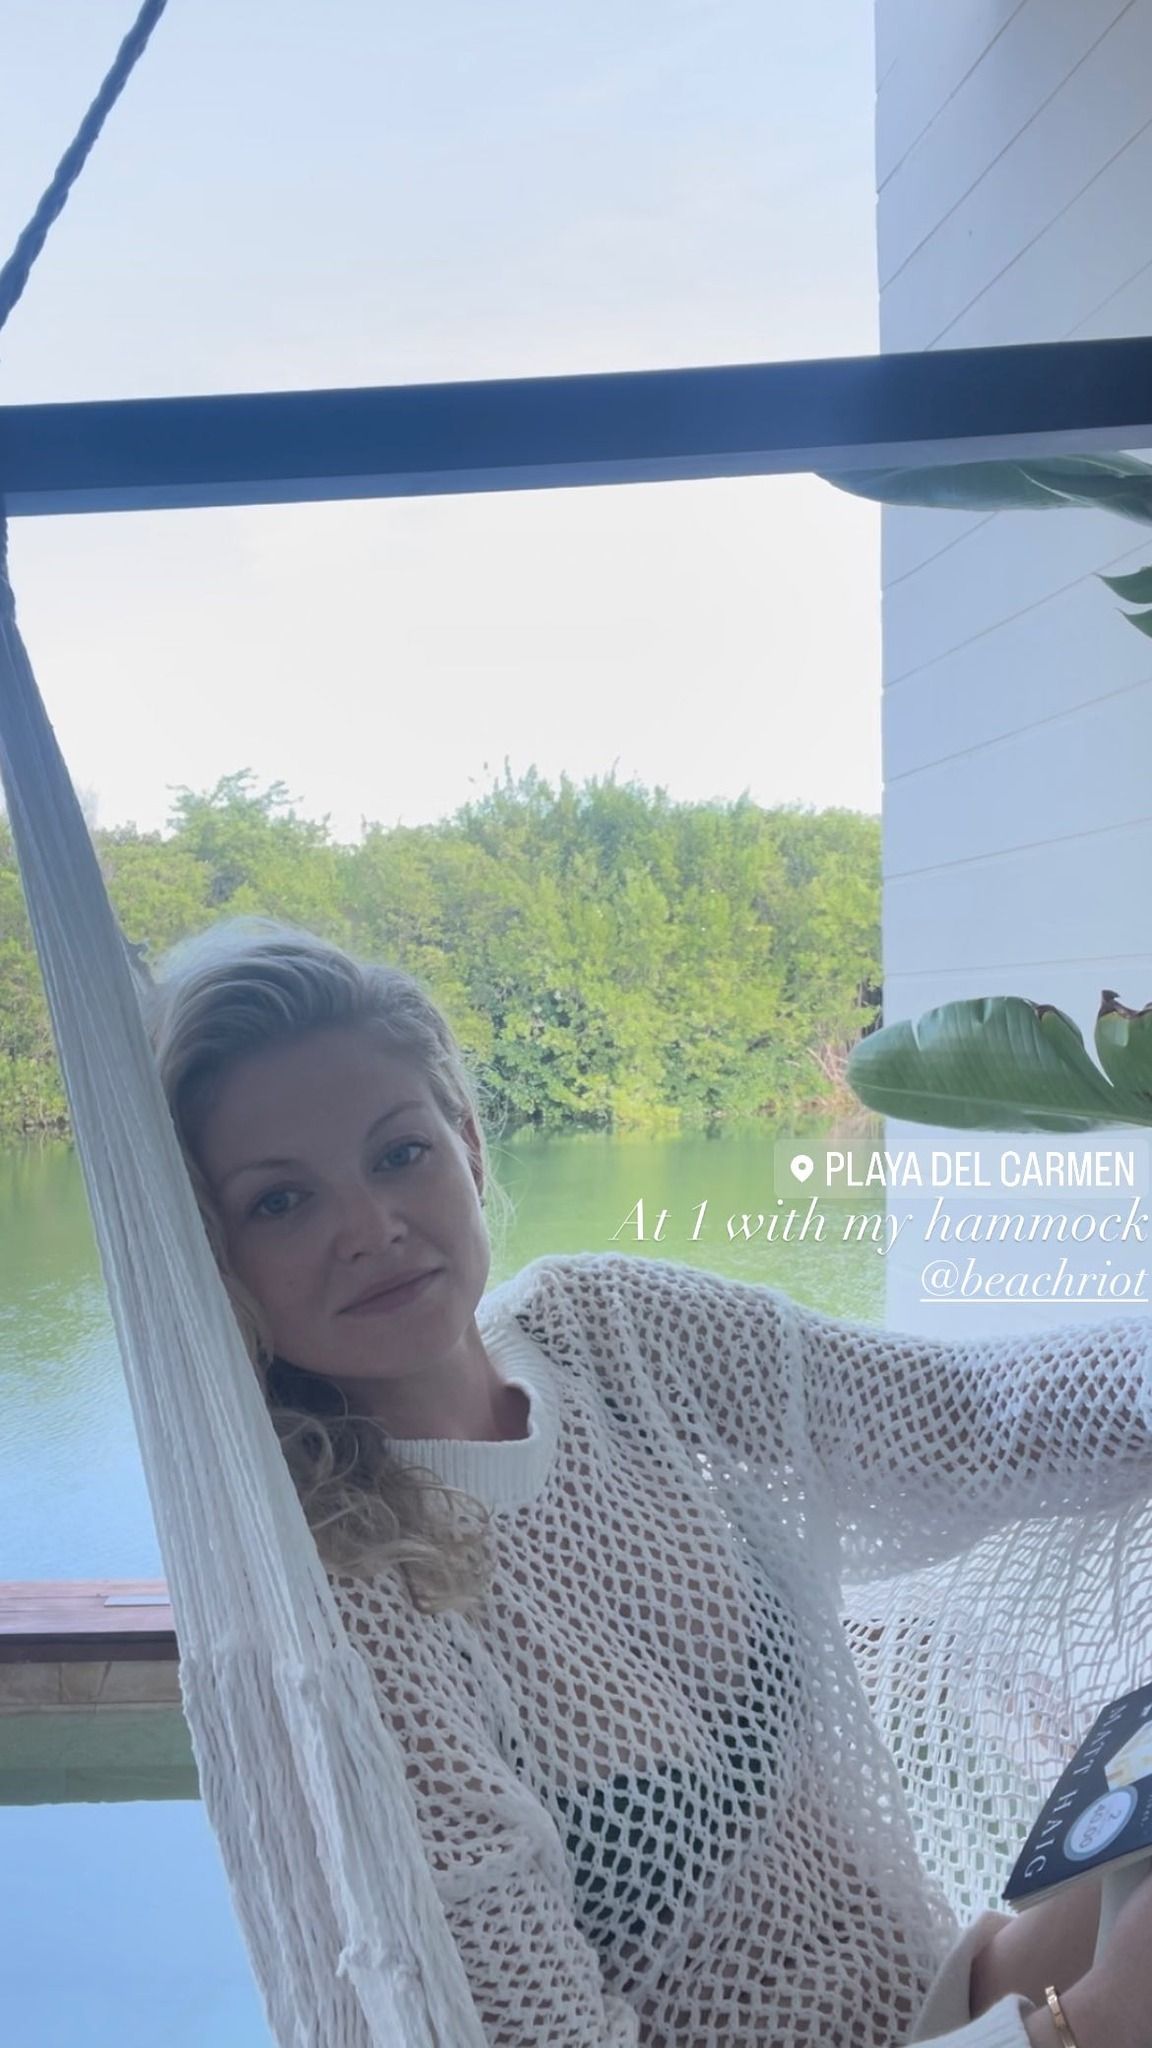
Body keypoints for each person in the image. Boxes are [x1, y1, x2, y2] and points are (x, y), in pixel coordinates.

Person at [140, 913, 1152, 2048]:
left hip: (937, 1995)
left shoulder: (610, 1333)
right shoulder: (353, 1601)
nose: (371, 1228)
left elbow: (963, 1418)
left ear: (468, 1146)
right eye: (281, 1201)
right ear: (214, 1259)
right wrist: (1089, 2026)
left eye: (397, 1153)